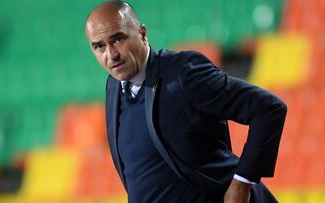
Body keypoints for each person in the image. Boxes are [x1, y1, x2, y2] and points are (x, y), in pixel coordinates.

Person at [85, 1, 287, 202]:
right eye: (99, 46)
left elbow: (268, 108)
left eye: (118, 39)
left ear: (142, 33)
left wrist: (242, 183)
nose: (111, 55)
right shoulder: (113, 86)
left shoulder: (183, 74)